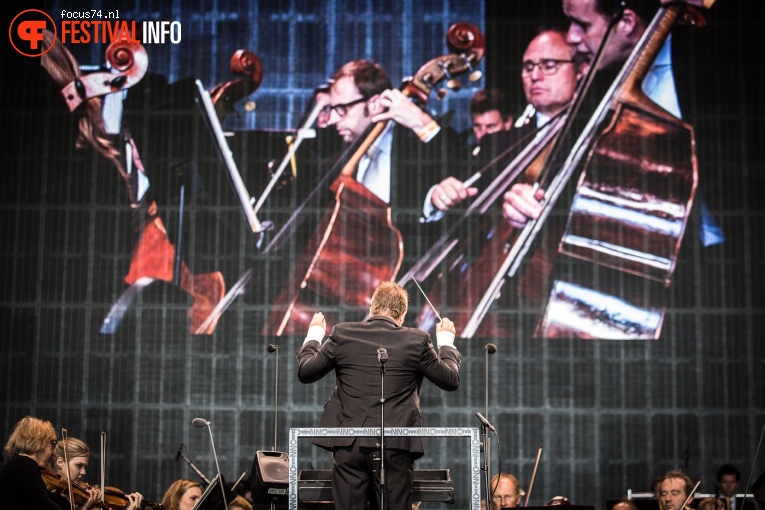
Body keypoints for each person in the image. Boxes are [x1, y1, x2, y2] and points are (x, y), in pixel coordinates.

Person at [295, 281, 461, 510]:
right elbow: (450, 379)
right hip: (395, 445)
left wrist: (314, 336)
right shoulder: (418, 340)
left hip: (350, 444)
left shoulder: (343, 333)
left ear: (372, 308)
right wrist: (446, 342)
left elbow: (306, 372)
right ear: (402, 315)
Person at [426, 27, 584, 217]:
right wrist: (440, 196)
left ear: (581, 70)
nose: (535, 76)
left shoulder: (603, 139)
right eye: (528, 68)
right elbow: (463, 203)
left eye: (549, 65)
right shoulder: (496, 143)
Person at [47, 437, 143, 510]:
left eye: (85, 467)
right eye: (79, 466)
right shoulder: (48, 496)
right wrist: (85, 507)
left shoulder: (75, 495)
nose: (84, 472)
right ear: (60, 463)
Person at [0, 416, 65, 509]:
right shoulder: (23, 464)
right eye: (52, 444)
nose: (53, 452)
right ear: (40, 441)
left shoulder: (20, 464)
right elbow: (42, 504)